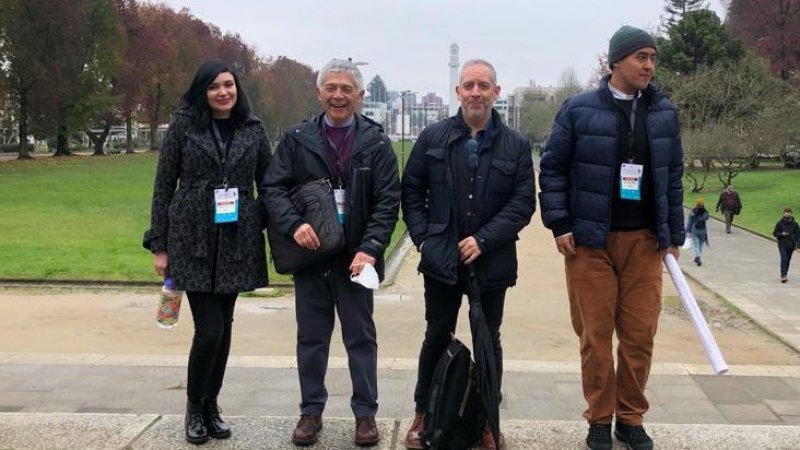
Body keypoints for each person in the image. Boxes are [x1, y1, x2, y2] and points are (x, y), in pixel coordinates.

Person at [538, 26, 685, 450]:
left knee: (640, 336)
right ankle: (599, 419)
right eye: (641, 56)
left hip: (644, 243)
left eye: (653, 57)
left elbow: (672, 177)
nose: (649, 65)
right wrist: (560, 224)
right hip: (590, 243)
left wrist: (673, 234)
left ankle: (631, 417)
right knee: (596, 338)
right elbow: (552, 169)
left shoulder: (663, 113)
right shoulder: (578, 109)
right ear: (615, 61)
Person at [262, 59, 400, 447]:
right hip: (313, 256)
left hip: (356, 259)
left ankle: (365, 414)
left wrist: (371, 248)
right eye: (331, 88)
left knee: (360, 339)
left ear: (359, 96)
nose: (338, 95)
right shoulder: (296, 139)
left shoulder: (376, 143)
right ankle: (311, 411)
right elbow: (273, 188)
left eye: (347, 89)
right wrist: (294, 224)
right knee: (311, 338)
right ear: (318, 92)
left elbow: (388, 202)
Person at [401, 59, 535, 450]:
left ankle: (488, 421)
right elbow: (412, 192)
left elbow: (522, 203)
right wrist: (425, 240)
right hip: (442, 260)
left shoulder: (516, 145)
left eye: (483, 85)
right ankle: (423, 414)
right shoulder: (433, 138)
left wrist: (484, 240)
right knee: (436, 335)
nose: (476, 92)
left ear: (496, 91)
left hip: (491, 261)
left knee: (488, 341)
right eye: (469, 85)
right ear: (458, 92)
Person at [142, 60, 271, 445]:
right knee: (210, 330)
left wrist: (255, 217)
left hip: (235, 238)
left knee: (225, 327)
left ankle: (212, 405)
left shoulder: (253, 129)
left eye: (228, 85)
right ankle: (194, 407)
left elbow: (271, 181)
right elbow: (164, 185)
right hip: (192, 235)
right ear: (203, 91)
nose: (223, 92)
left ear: (237, 88)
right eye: (214, 86)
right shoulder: (184, 126)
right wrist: (160, 244)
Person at [772, 207, 800, 283]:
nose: (787, 214)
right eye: (786, 212)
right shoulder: (780, 223)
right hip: (782, 244)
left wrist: (798, 246)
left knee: (787, 260)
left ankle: (785, 274)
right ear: (783, 213)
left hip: (791, 245)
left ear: (791, 214)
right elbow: (775, 233)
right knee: (784, 259)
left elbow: (798, 236)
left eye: (789, 212)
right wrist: (781, 234)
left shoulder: (795, 224)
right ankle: (783, 276)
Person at [686, 199, 710, 266]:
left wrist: (688, 231)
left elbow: (689, 222)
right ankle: (698, 257)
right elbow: (707, 218)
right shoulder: (705, 212)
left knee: (696, 245)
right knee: (700, 245)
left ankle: (698, 257)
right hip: (703, 231)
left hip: (695, 230)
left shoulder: (693, 212)